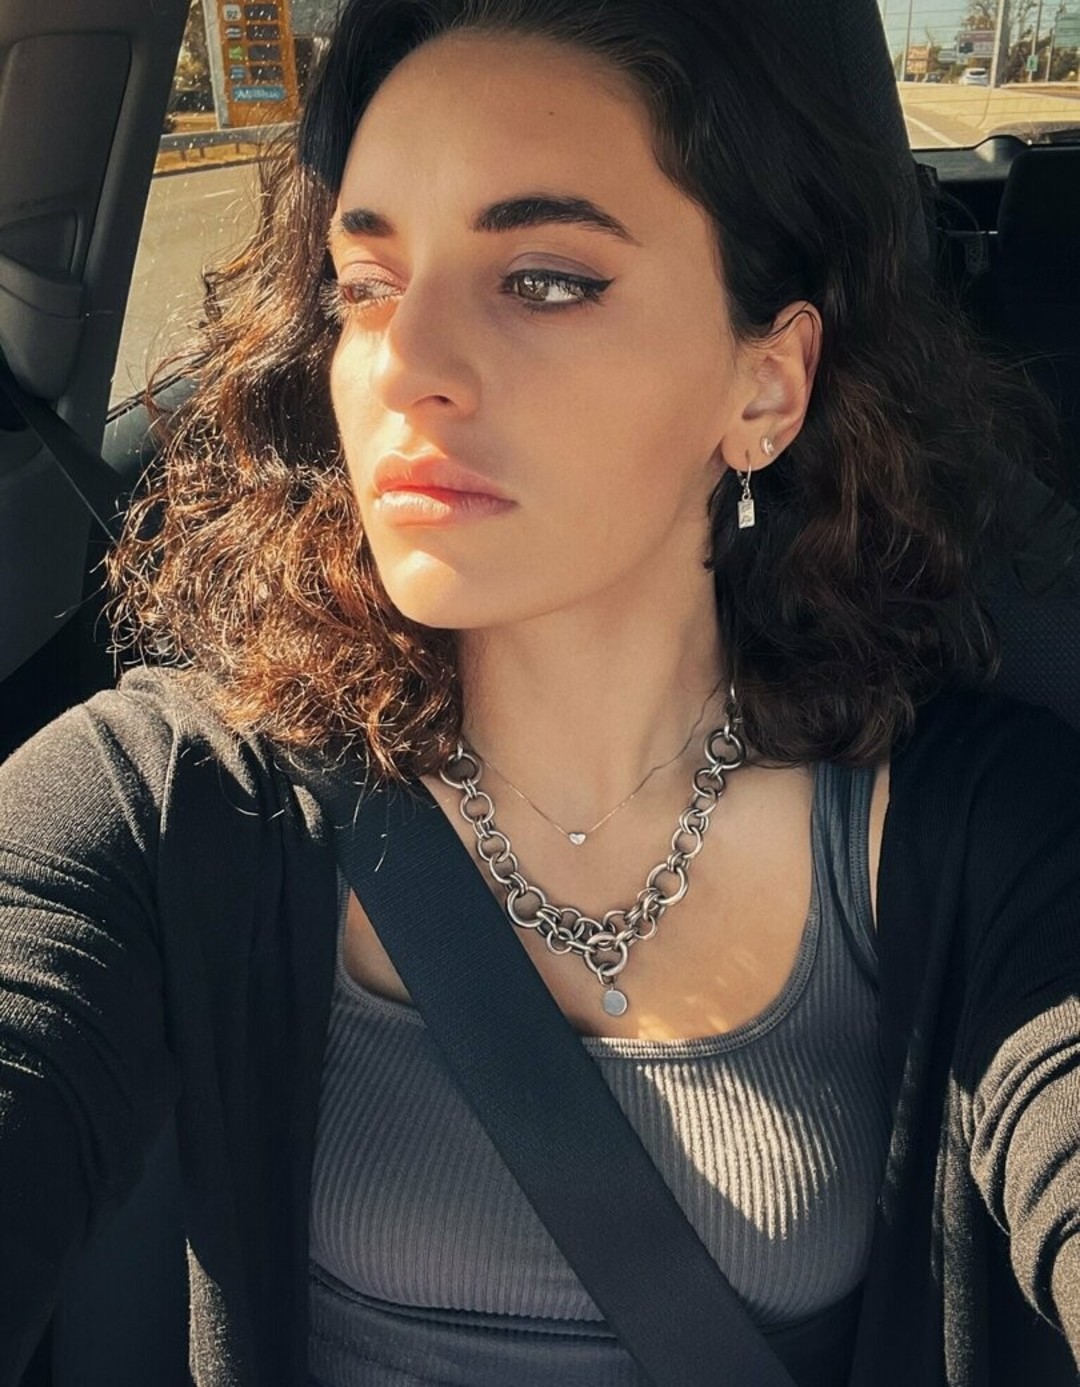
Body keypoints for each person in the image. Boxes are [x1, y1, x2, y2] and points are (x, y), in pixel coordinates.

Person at [2, 0, 1079, 1384]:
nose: (406, 365)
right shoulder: (175, 796)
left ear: (766, 385)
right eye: (366, 284)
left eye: (546, 280)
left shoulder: (992, 835)